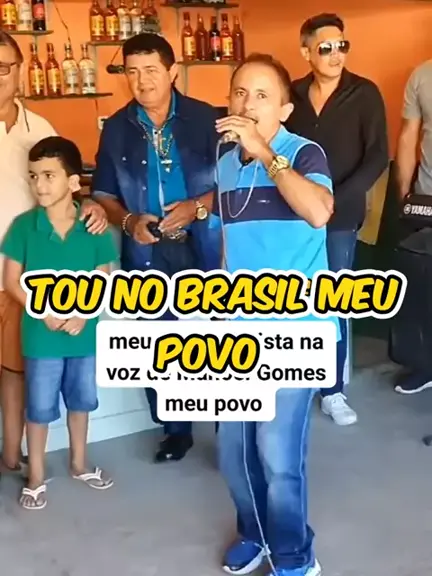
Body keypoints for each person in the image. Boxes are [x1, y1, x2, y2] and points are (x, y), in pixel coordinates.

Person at [212, 53, 339, 576]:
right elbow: (232, 241)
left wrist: (265, 152)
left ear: (284, 109)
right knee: (233, 452)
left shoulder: (303, 152)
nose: (248, 104)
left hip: (297, 329)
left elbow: (318, 211)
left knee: (276, 453)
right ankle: (255, 533)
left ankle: (293, 557)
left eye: (262, 95)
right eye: (240, 93)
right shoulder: (225, 162)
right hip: (238, 329)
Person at [92, 33, 220, 463]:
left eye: (151, 70)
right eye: (132, 72)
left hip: (205, 247)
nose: (142, 80)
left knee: (218, 340)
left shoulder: (207, 119)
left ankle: (229, 428)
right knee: (158, 345)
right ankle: (176, 430)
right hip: (148, 253)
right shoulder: (116, 128)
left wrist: (196, 208)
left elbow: (236, 184)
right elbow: (103, 193)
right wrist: (128, 221)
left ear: (172, 72)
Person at [0, 31, 107, 480]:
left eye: (3, 67)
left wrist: (92, 204)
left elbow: (64, 180)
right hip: (19, 269)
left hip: (21, 276)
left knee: (16, 372)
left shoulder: (39, 129)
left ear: (19, 71)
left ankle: (13, 458)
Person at [1, 136, 119, 509]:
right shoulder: (24, 227)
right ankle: (36, 476)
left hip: (83, 338)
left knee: (80, 403)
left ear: (72, 181)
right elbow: (12, 281)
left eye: (49, 175)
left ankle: (79, 464)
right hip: (41, 339)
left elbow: (103, 278)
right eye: (33, 176)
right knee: (38, 409)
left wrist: (83, 314)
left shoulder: (94, 229)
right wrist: (44, 312)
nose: (39, 185)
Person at [285, 13, 389, 426]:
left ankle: (333, 390)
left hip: (341, 216)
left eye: (341, 46)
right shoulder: (291, 95)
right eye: (325, 47)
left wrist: (336, 198)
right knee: (293, 298)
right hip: (292, 214)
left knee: (332, 300)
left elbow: (377, 156)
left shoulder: (364, 93)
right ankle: (298, 376)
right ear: (306, 52)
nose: (335, 54)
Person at [392, 60, 432, 394]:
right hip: (427, 200)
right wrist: (404, 193)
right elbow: (408, 135)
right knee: (424, 292)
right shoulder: (422, 75)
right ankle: (427, 366)